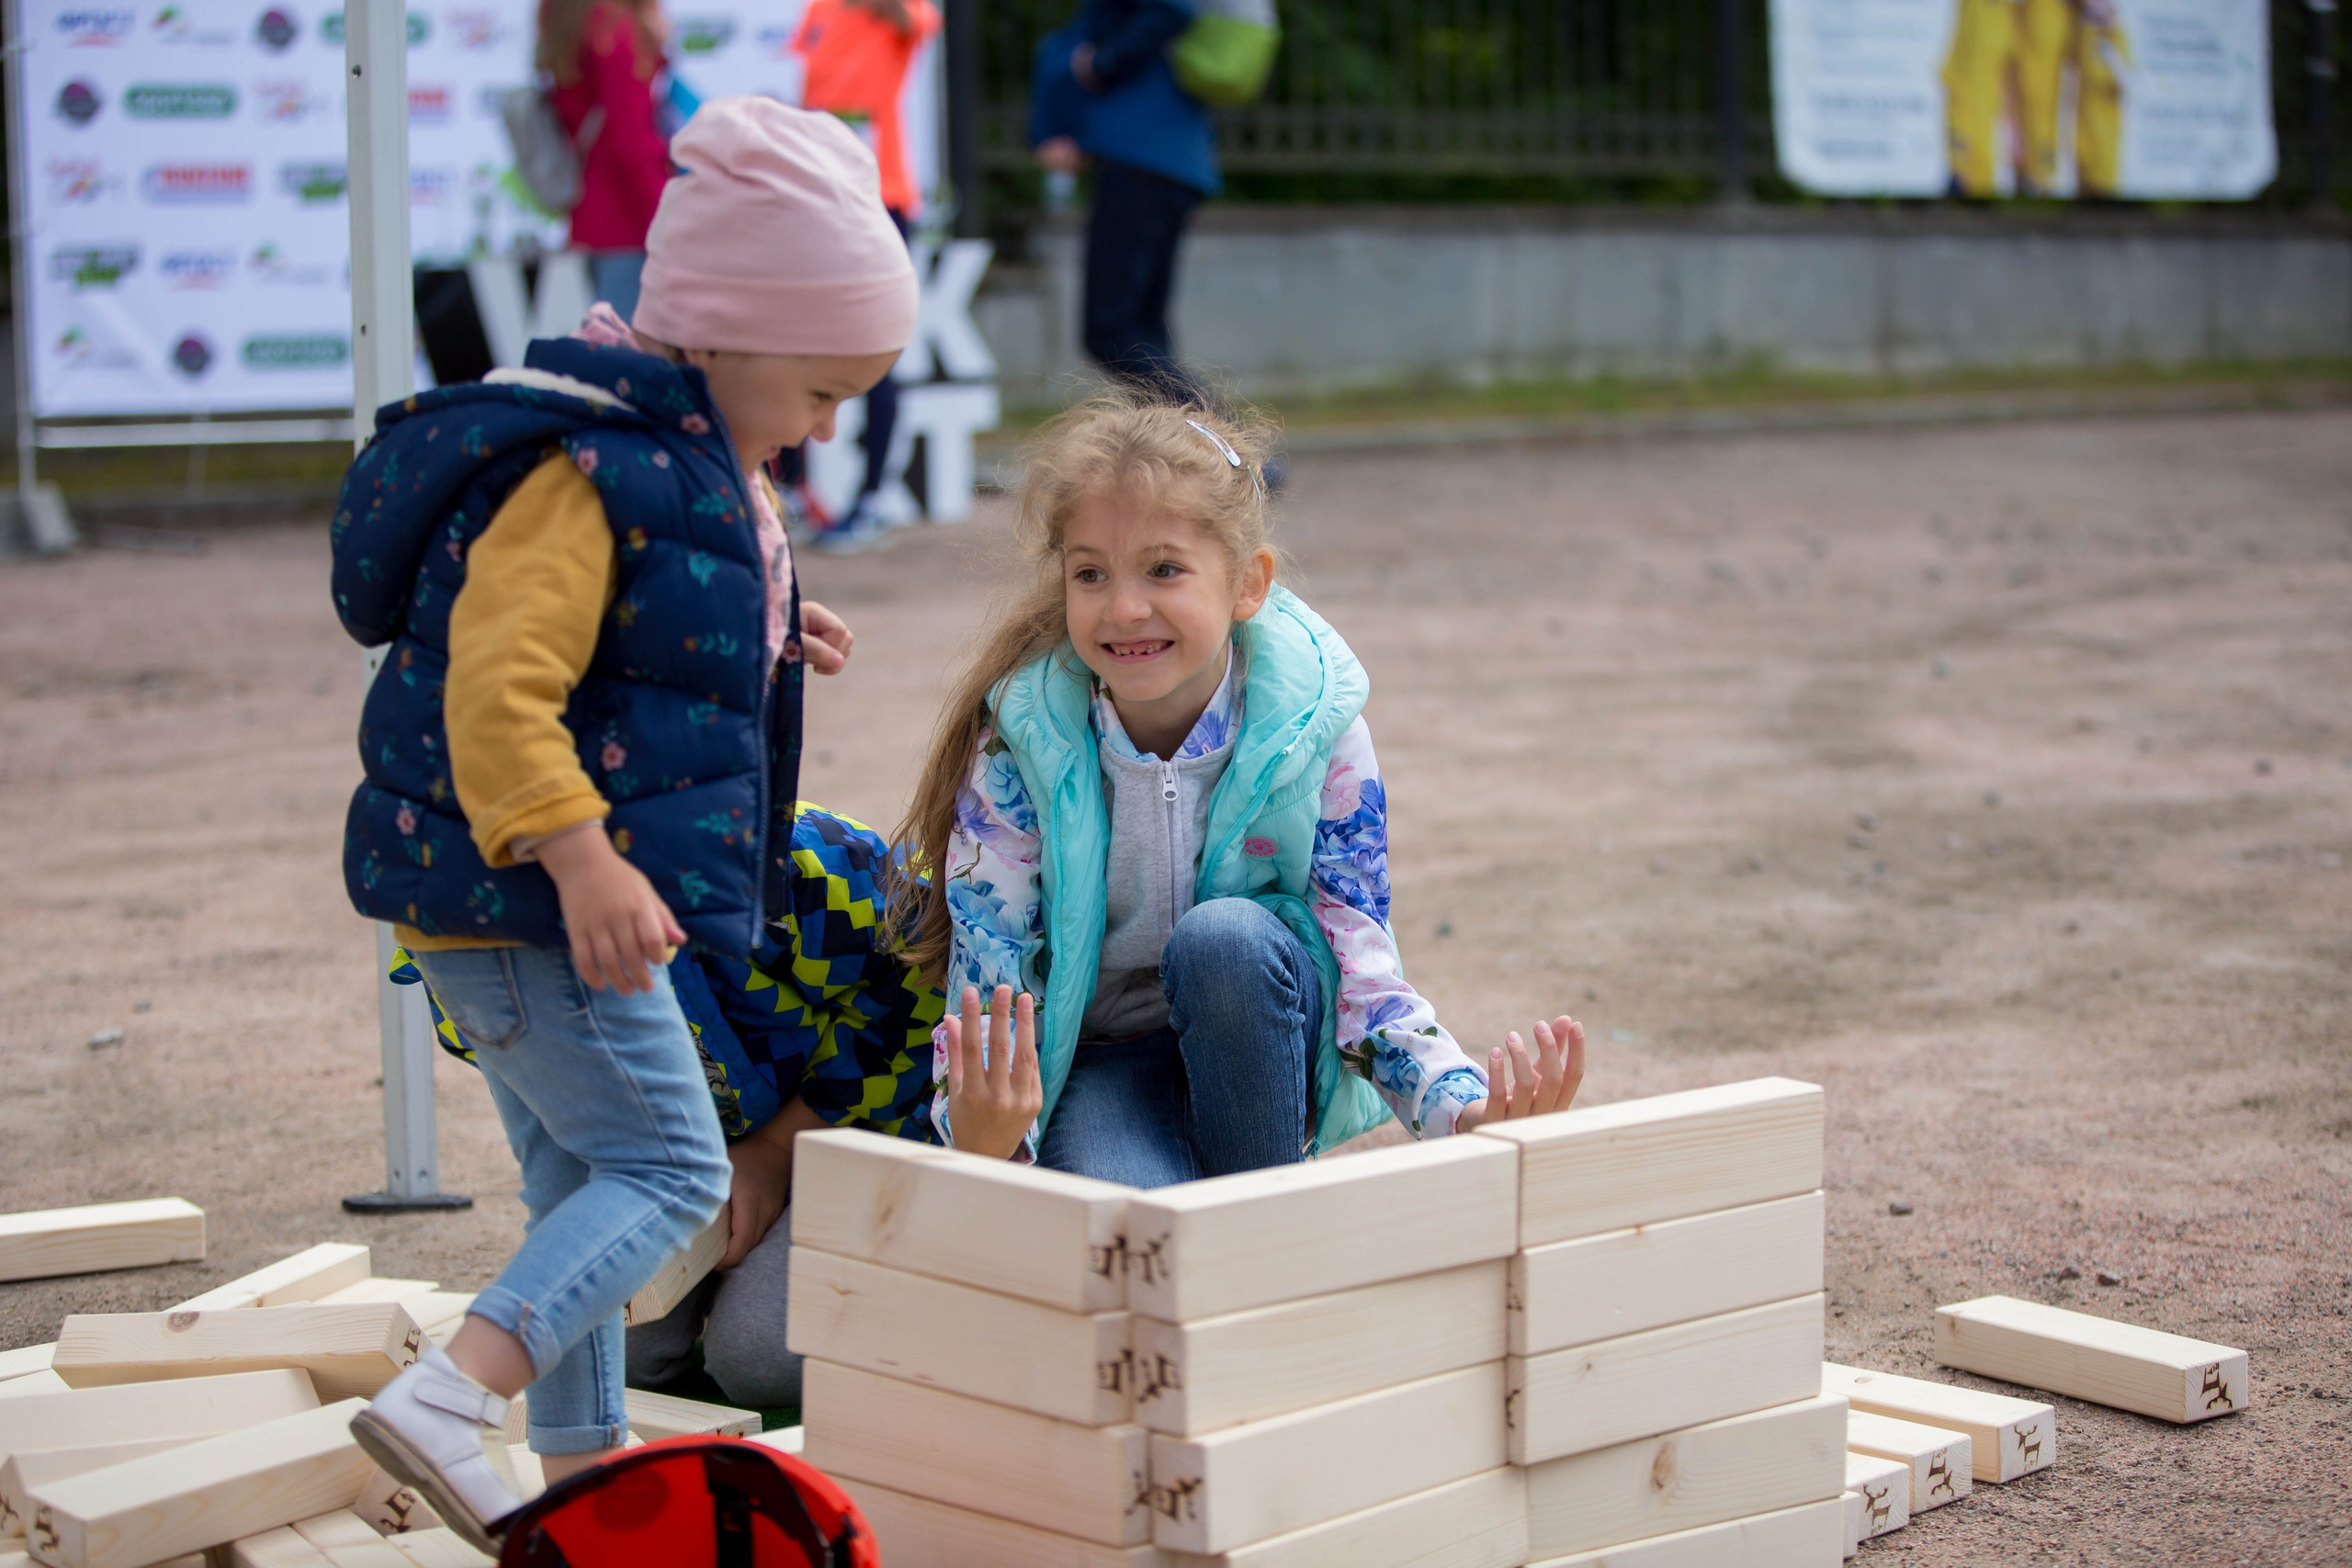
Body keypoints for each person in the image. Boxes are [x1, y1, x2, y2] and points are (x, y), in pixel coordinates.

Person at [328, 98, 917, 1550]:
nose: (830, 425)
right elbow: (498, 688)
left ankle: (580, 1468)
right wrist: (583, 858)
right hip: (531, 896)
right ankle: (454, 1393)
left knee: (585, 1183)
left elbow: (632, 647)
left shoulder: (691, 458)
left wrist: (771, 630)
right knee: (672, 1168)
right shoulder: (589, 468)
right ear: (726, 333)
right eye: (825, 390)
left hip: (521, 895)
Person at [889, 393, 1586, 1185]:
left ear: (1248, 584)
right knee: (1130, 1236)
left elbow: (1362, 961)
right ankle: (1220, 1216)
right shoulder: (1024, 741)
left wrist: (1462, 1111)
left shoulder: (1314, 728)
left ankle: (1265, 1213)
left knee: (1223, 937)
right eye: (1091, 572)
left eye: (1164, 568)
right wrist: (983, 1138)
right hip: (1103, 1063)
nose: (1123, 607)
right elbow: (992, 961)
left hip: (1258, 1039)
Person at [790, 0, 944, 554]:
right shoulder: (817, 11)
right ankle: (793, 492)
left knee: (876, 350)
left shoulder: (892, 8)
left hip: (881, 199)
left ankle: (871, 497)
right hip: (818, 199)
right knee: (797, 343)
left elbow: (916, 21)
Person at [1031, 1, 1218, 401]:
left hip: (1142, 158)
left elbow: (1174, 8)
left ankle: (1230, 444)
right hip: (1168, 158)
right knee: (1143, 332)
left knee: (1111, 331)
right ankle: (1195, 454)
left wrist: (1103, 63)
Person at [537, 0, 674, 319]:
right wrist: (665, 224)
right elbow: (629, 144)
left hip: (595, 222)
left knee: (609, 350)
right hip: (629, 224)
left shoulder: (574, 18)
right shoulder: (612, 28)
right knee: (630, 356)